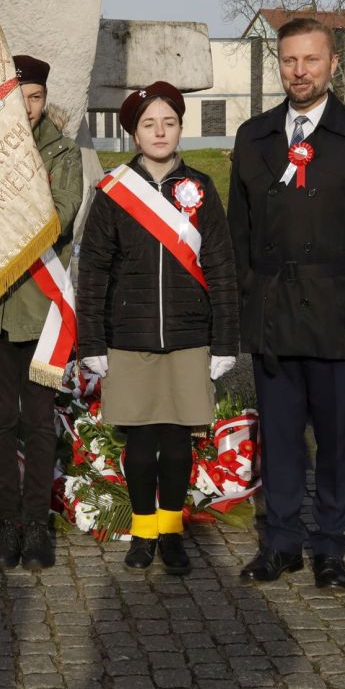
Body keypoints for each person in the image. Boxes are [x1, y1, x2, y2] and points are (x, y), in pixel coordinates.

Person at [227, 17, 345, 589]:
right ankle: (281, 542)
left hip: (340, 317)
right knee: (279, 440)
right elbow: (237, 234)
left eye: (310, 60)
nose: (299, 71)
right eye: (289, 60)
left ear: (333, 63)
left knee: (337, 442)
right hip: (274, 315)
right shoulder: (253, 136)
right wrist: (245, 306)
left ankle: (330, 545)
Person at [75, 82, 239, 575]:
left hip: (189, 337)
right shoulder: (114, 191)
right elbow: (94, 270)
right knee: (142, 444)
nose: (160, 132)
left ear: (181, 128)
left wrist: (225, 340)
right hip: (130, 337)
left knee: (178, 442)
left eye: (169, 122)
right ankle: (144, 531)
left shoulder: (202, 188)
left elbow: (221, 267)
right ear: (134, 133)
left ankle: (170, 532)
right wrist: (91, 340)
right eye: (149, 124)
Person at [0, 55, 84, 571]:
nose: (28, 107)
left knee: (39, 422)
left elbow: (57, 217)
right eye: (18, 98)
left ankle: (36, 523)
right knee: (0, 420)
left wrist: (0, 213)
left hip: (42, 314)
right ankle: (6, 522)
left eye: (36, 97)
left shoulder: (63, 153)